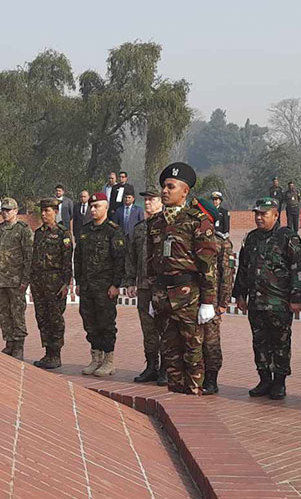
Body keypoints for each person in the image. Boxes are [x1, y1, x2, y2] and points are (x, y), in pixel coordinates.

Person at [146, 162, 218, 395]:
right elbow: (150, 263)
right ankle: (177, 397)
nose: (164, 191)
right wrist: (150, 295)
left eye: (170, 187)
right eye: (163, 187)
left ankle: (194, 397)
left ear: (185, 191)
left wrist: (208, 301)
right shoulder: (156, 223)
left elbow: (207, 265)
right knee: (169, 352)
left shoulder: (198, 221)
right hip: (162, 296)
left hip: (188, 296)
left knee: (193, 352)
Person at [235, 196, 301, 400]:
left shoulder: (287, 237)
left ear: (276, 215)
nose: (259, 218)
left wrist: (297, 297)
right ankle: (264, 379)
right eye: (256, 214)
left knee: (280, 342)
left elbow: (298, 269)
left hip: (279, 302)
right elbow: (243, 268)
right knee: (259, 342)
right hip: (256, 302)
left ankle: (279, 382)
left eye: (263, 214)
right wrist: (240, 294)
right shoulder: (252, 238)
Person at [76, 192, 127, 376]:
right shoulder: (85, 230)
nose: (93, 209)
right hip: (88, 286)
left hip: (105, 288)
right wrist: (79, 281)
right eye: (91, 206)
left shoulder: (114, 231)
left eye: (97, 206)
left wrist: (116, 284)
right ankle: (95, 357)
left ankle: (108, 360)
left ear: (106, 207)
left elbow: (120, 260)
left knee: (106, 323)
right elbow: (78, 258)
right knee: (89, 322)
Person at [125, 190, 165, 383]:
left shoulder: (169, 225)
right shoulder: (140, 228)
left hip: (162, 287)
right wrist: (130, 281)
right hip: (143, 286)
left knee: (165, 328)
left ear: (161, 201)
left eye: (152, 199)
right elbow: (131, 256)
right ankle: (151, 366)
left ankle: (166, 368)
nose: (147, 203)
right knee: (148, 329)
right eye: (146, 199)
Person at [197, 197, 236, 396]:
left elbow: (227, 276)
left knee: (210, 342)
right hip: (192, 299)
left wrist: (223, 303)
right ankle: (197, 376)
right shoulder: (191, 239)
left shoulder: (222, 243)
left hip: (212, 302)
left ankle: (211, 379)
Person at [31, 197, 73, 370]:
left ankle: (56, 354)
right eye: (42, 210)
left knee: (55, 319)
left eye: (47, 210)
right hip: (39, 283)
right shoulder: (39, 233)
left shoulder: (63, 233)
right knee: (42, 317)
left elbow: (67, 261)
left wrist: (66, 284)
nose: (43, 214)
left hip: (55, 283)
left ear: (55, 212)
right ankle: (47, 352)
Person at [0, 197, 33, 359]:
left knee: (17, 313)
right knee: (3, 312)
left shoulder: (23, 230)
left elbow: (28, 256)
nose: (5, 213)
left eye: (8, 210)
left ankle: (18, 345)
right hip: (1, 280)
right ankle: (9, 342)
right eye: (3, 210)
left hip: (16, 280)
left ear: (16, 211)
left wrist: (25, 279)